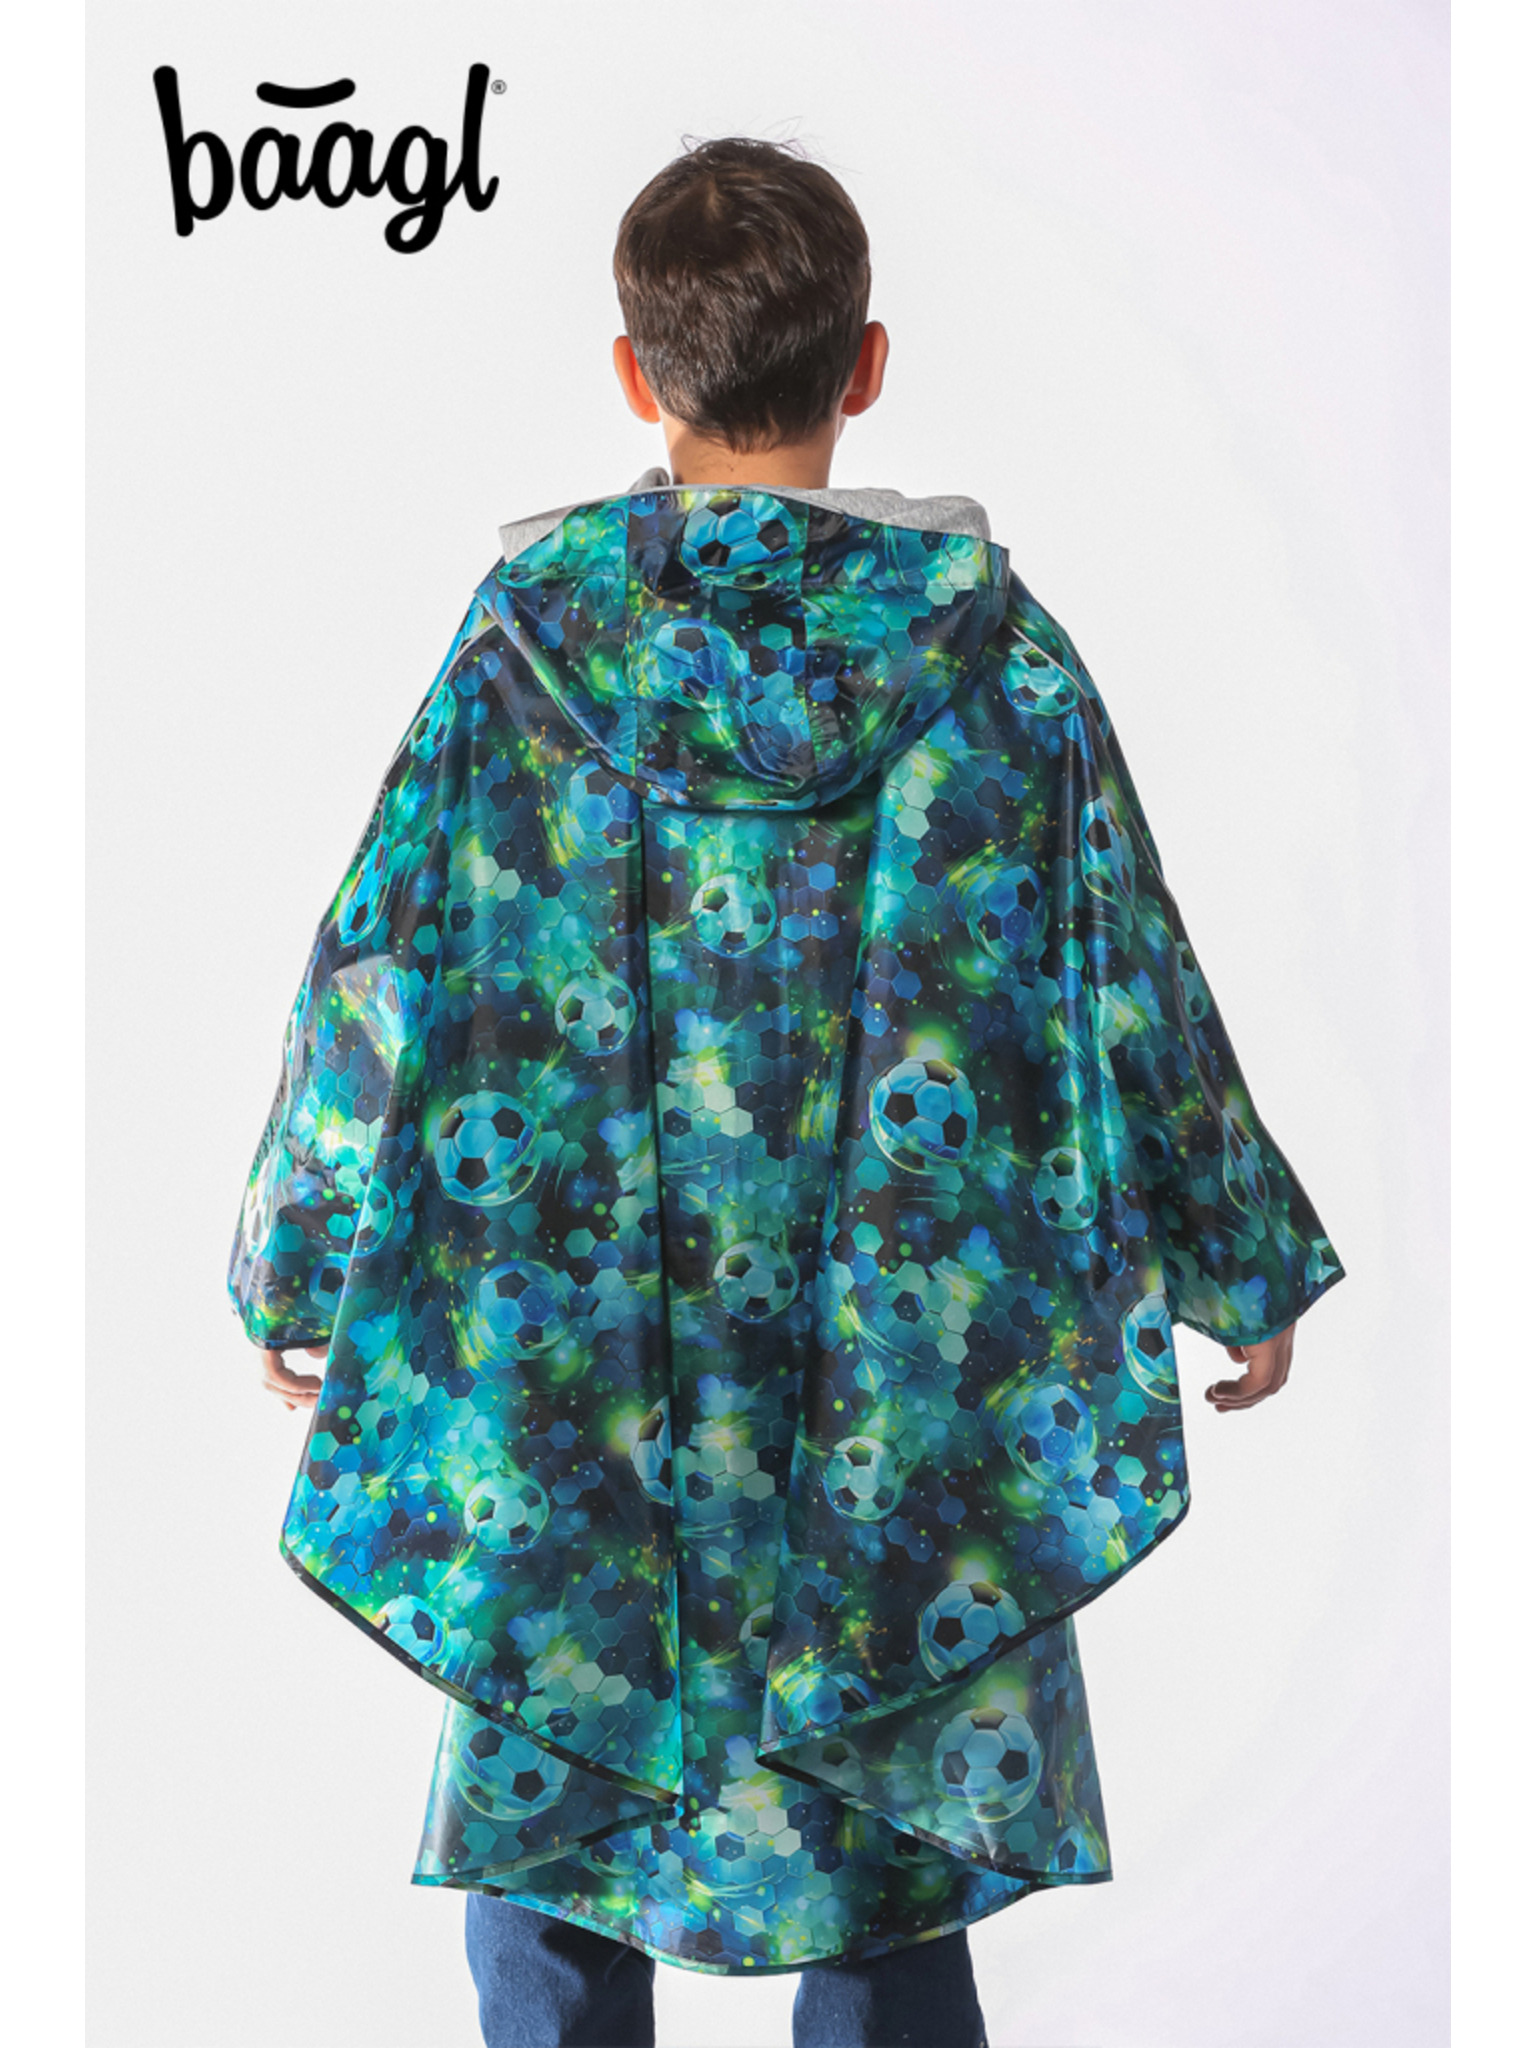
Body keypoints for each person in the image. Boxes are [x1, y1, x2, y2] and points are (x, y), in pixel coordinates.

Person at [236, 137, 1345, 2048]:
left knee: (558, 1802)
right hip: (902, 1384)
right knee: (890, 1805)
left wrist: (303, 1254)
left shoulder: (521, 655)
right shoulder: (998, 663)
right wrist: (1232, 1256)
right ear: (868, 366)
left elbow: (379, 969)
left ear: (633, 375)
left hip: (569, 1375)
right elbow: (1127, 970)